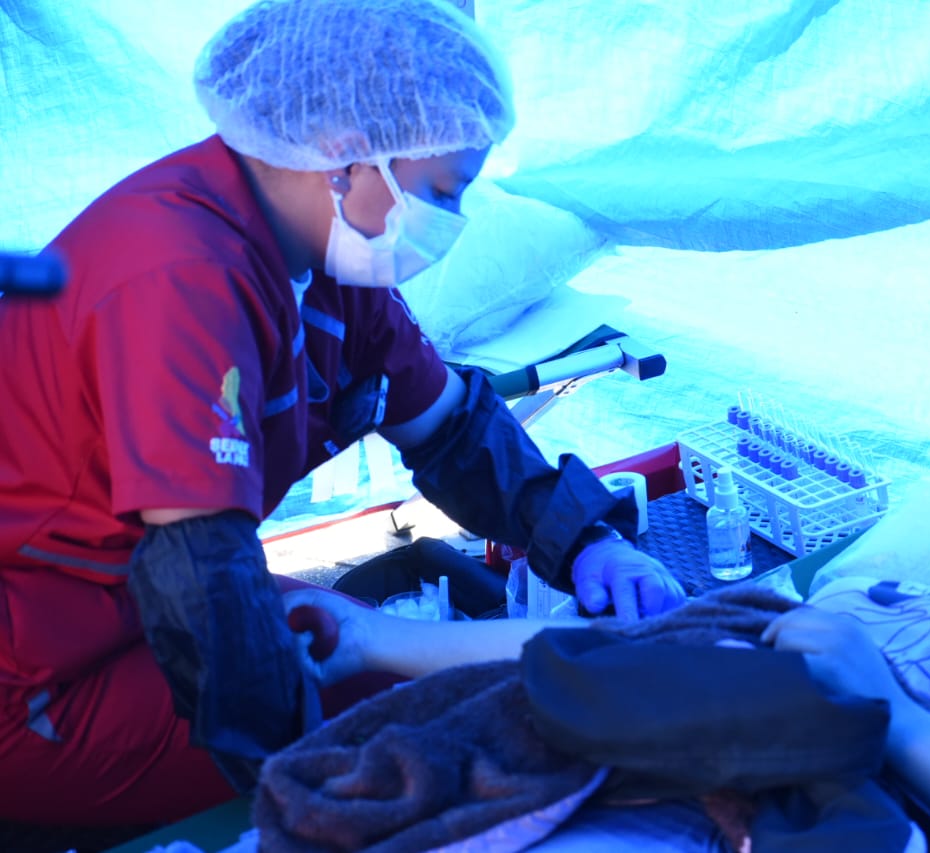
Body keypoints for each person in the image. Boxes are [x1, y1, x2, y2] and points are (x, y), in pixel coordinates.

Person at [0, 0, 684, 829]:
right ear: (345, 151)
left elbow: (454, 429)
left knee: (390, 675)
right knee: (399, 731)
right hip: (32, 672)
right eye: (442, 193)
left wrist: (589, 542)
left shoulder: (325, 266)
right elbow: (204, 584)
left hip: (128, 603)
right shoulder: (178, 279)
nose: (450, 224)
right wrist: (314, 784)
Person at [283, 431, 930, 852]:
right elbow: (640, 653)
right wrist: (371, 636)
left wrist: (889, 713)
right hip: (644, 742)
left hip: (764, 809)